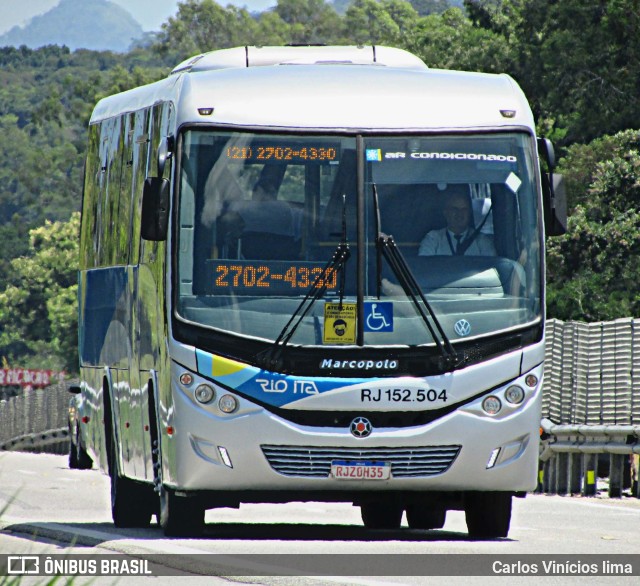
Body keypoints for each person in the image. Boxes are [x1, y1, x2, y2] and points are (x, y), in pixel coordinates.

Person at [418, 185, 496, 256]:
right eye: (454, 209)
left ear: (469, 213)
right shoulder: (433, 239)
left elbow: (491, 266)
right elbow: (425, 264)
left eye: (464, 209)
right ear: (446, 213)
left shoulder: (482, 241)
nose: (459, 213)